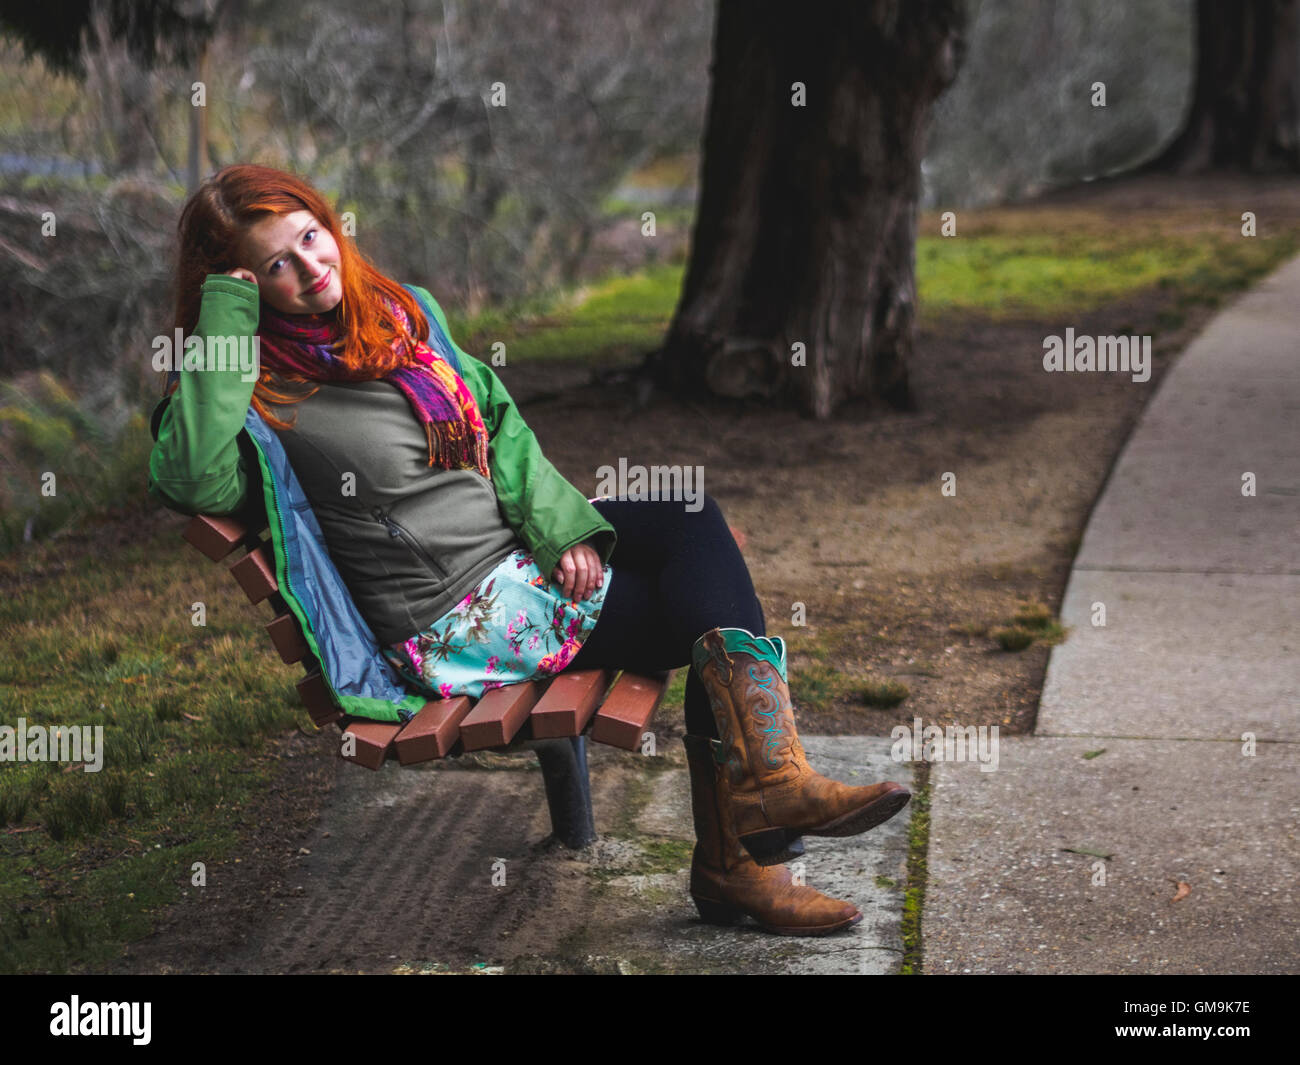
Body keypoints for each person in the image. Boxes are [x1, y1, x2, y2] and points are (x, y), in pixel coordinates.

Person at [148, 162, 911, 937]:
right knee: (702, 606)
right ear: (237, 285)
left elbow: (500, 423)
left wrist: (562, 529)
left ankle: (764, 808)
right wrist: (226, 321)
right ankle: (754, 835)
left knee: (692, 519)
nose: (311, 267)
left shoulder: (397, 316)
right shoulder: (257, 392)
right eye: (276, 263)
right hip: (457, 616)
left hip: (512, 558)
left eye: (313, 237)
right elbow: (190, 480)